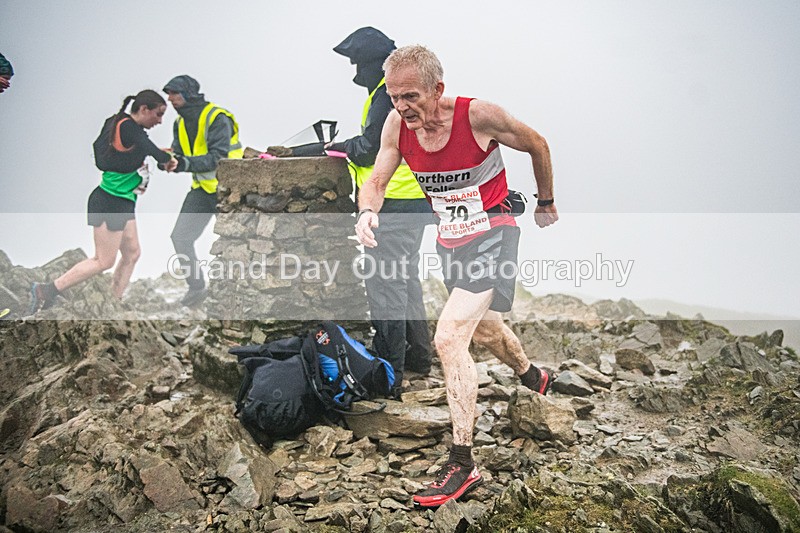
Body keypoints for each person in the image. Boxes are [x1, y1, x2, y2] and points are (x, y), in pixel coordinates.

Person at [354, 45, 558, 508]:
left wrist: (545, 202)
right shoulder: (395, 126)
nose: (402, 106)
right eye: (393, 96)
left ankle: (464, 464)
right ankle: (533, 377)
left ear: (437, 90)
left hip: (494, 232)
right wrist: (367, 211)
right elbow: (379, 179)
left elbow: (537, 144)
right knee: (484, 330)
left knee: (448, 337)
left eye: (410, 96)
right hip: (452, 239)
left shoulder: (477, 116)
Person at [327, 27, 433, 390]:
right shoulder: (394, 93)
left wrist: (337, 147)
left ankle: (388, 375)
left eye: (357, 62)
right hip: (415, 201)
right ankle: (420, 357)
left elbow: (370, 148)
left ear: (375, 64)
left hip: (394, 203)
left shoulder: (386, 98)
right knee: (404, 281)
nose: (355, 69)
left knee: (386, 285)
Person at [30, 90, 175, 312]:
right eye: (158, 114)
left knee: (132, 253)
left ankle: (112, 302)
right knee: (103, 261)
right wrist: (167, 159)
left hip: (123, 201)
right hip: (110, 202)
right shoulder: (129, 127)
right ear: (144, 109)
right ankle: (46, 290)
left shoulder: (120, 124)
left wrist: (157, 155)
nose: (160, 121)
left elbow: (134, 151)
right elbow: (154, 152)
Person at [162, 75, 243, 306]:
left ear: (188, 94)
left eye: (174, 93)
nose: (169, 98)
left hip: (228, 189)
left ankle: (235, 292)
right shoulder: (179, 123)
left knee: (233, 243)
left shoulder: (217, 118)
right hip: (201, 189)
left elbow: (218, 158)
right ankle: (197, 288)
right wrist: (166, 160)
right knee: (180, 237)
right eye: (168, 94)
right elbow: (180, 154)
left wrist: (184, 164)